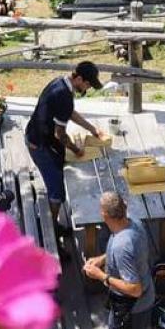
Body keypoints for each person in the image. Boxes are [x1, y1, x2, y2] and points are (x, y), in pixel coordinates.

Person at [26, 61, 106, 226]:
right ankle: (50, 227)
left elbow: (68, 112)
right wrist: (77, 150)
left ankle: (51, 222)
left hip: (36, 135)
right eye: (88, 85)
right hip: (39, 145)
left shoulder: (59, 82)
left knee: (57, 175)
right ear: (80, 79)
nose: (87, 89)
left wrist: (92, 129)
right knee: (57, 193)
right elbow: (60, 134)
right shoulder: (64, 96)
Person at [82, 192, 155, 329]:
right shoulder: (134, 222)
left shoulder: (122, 246)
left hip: (134, 308)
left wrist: (101, 276)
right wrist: (101, 259)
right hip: (132, 301)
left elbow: (135, 289)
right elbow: (128, 253)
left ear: (105, 215)